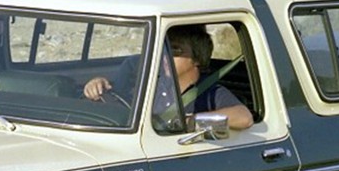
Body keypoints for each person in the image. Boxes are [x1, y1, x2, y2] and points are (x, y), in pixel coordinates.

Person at [84, 25, 254, 130]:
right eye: (164, 50)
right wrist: (96, 85)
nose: (165, 56)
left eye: (176, 51)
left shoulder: (210, 92)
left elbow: (244, 117)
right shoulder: (152, 85)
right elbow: (119, 103)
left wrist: (195, 121)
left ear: (197, 58)